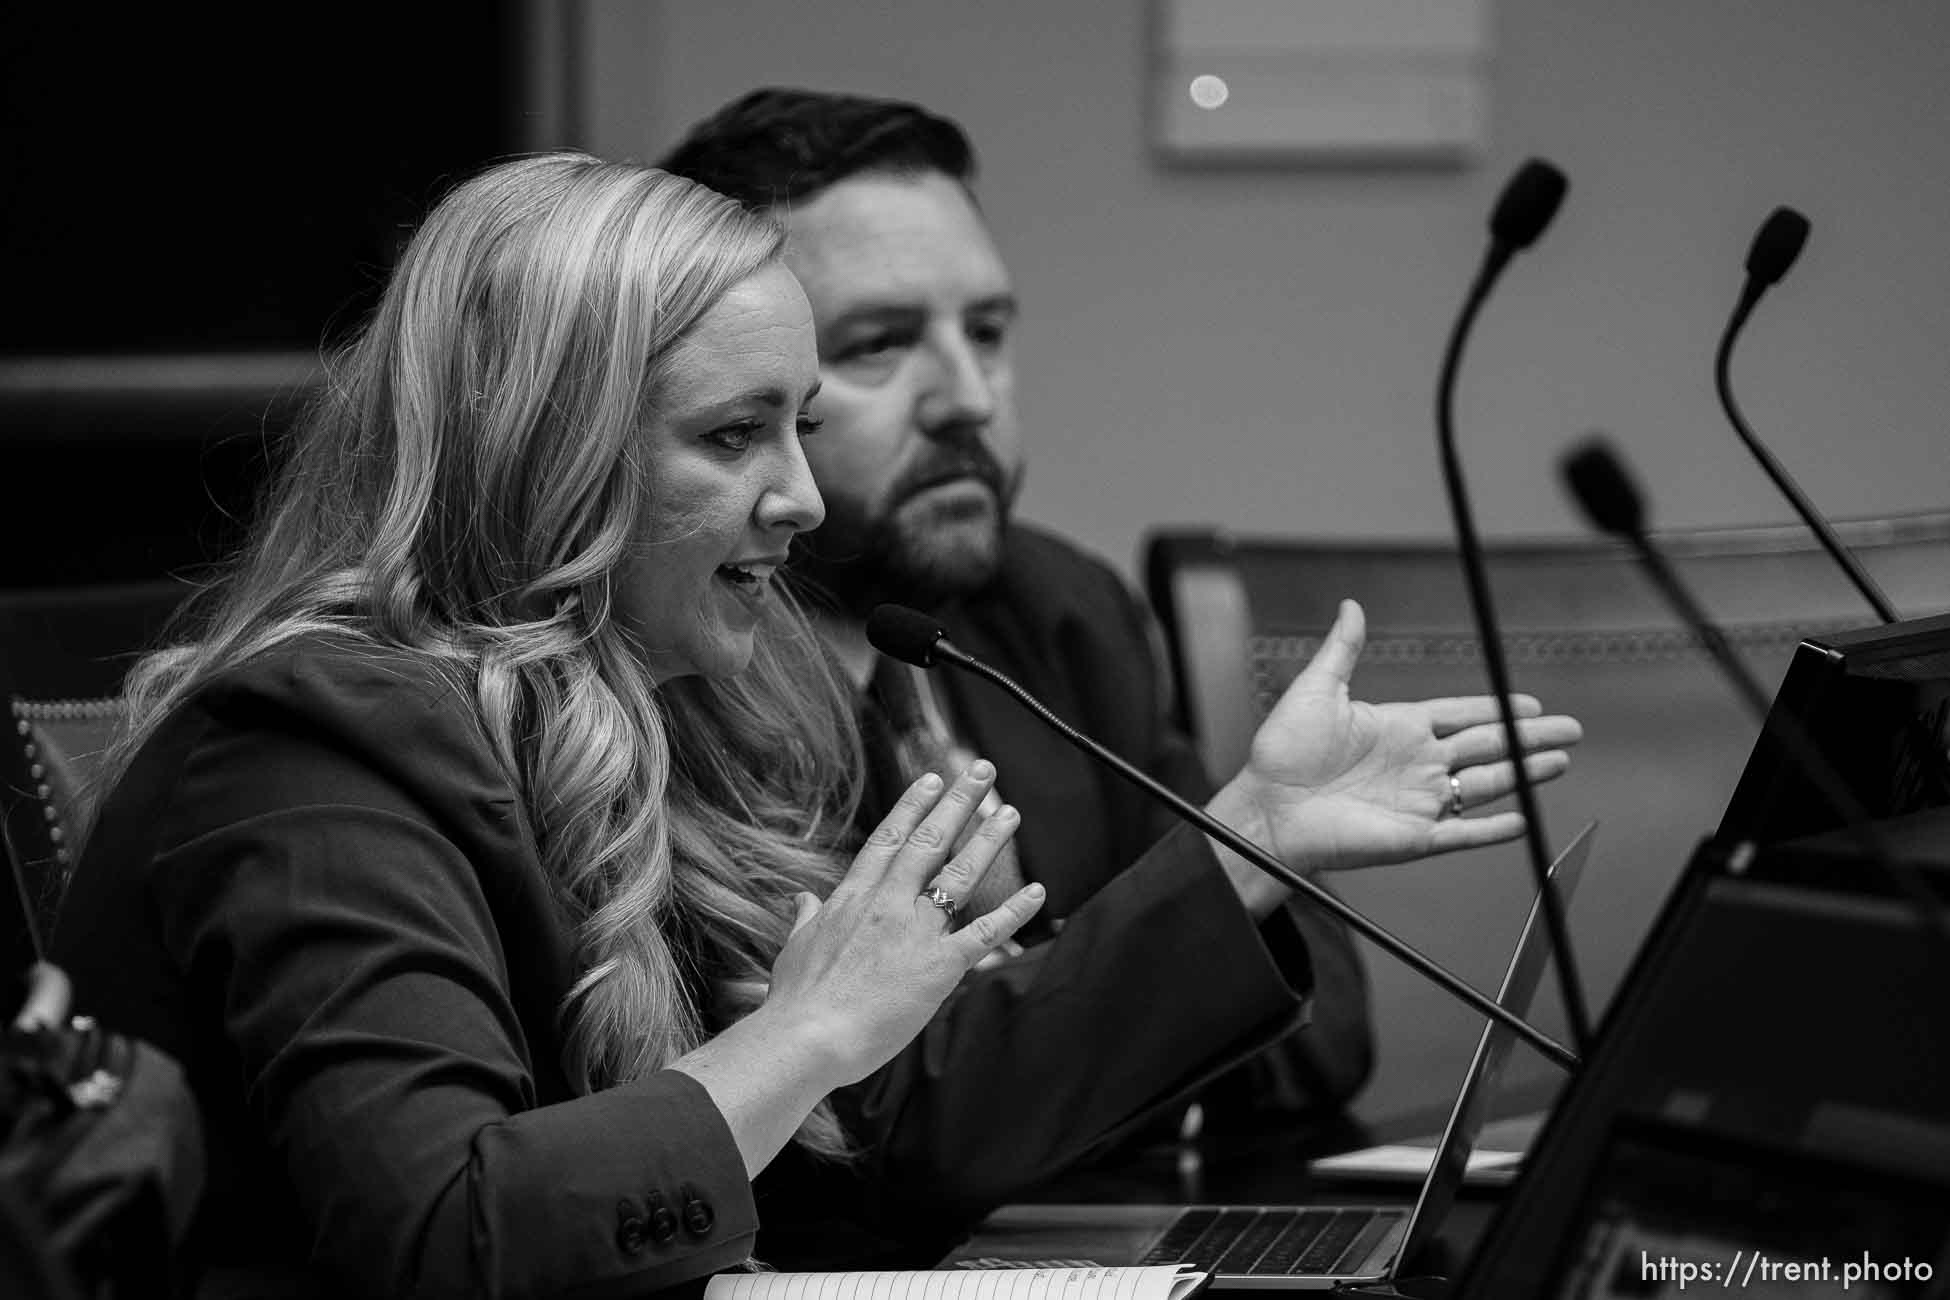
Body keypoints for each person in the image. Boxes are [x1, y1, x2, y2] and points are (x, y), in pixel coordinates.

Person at [51, 151, 1569, 1295]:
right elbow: (447, 1232)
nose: (806, 497)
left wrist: (1249, 839)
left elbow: (871, 1148)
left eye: (796, 419)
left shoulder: (662, 700)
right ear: (544, 465)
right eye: (732, 435)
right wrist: (807, 1028)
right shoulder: (315, 744)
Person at [660, 89, 1580, 1130]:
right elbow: (863, 1129)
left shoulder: (1055, 610)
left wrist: (1067, 1058)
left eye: (990, 330)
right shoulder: (682, 664)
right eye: (878, 343)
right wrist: (1125, 1030)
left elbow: (1320, 1042)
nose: (968, 395)